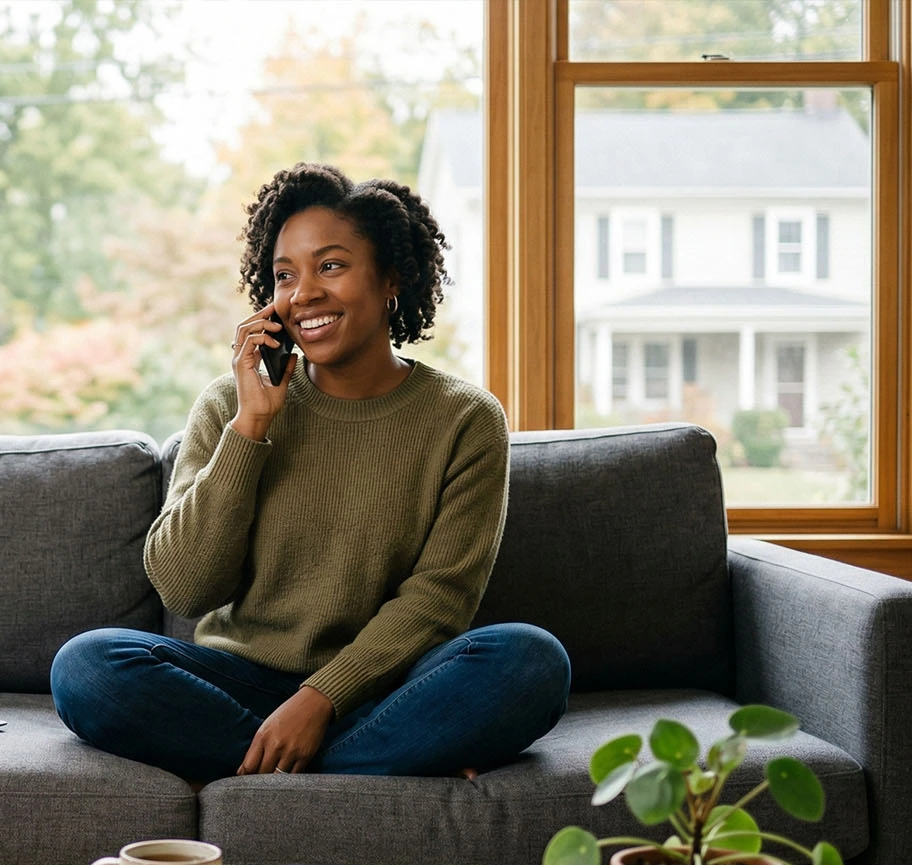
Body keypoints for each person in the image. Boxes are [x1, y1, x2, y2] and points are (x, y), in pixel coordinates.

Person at [49, 163, 571, 785]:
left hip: (382, 687)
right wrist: (252, 428)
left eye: (331, 266)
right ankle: (367, 761)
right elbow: (186, 590)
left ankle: (291, 759)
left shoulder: (464, 418)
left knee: (530, 660)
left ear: (390, 281)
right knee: (85, 667)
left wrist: (319, 700)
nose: (303, 294)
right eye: (284, 275)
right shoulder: (230, 405)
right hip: (240, 686)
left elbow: (439, 600)